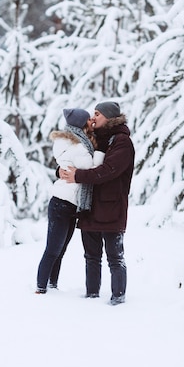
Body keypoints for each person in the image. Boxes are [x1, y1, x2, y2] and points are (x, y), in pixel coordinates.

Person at [60, 101, 134, 305]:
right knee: (91, 257)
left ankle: (118, 298)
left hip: (111, 207)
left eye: (97, 114)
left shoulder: (121, 142)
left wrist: (78, 176)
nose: (93, 118)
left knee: (114, 257)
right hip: (89, 206)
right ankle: (91, 296)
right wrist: (60, 171)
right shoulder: (91, 140)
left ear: (109, 118)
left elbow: (109, 170)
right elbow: (71, 159)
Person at [36, 108, 104, 294]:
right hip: (63, 202)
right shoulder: (77, 146)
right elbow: (90, 167)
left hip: (67, 203)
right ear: (81, 124)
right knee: (54, 248)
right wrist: (99, 153)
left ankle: (51, 284)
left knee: (59, 248)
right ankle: (41, 286)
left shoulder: (70, 141)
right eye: (88, 120)